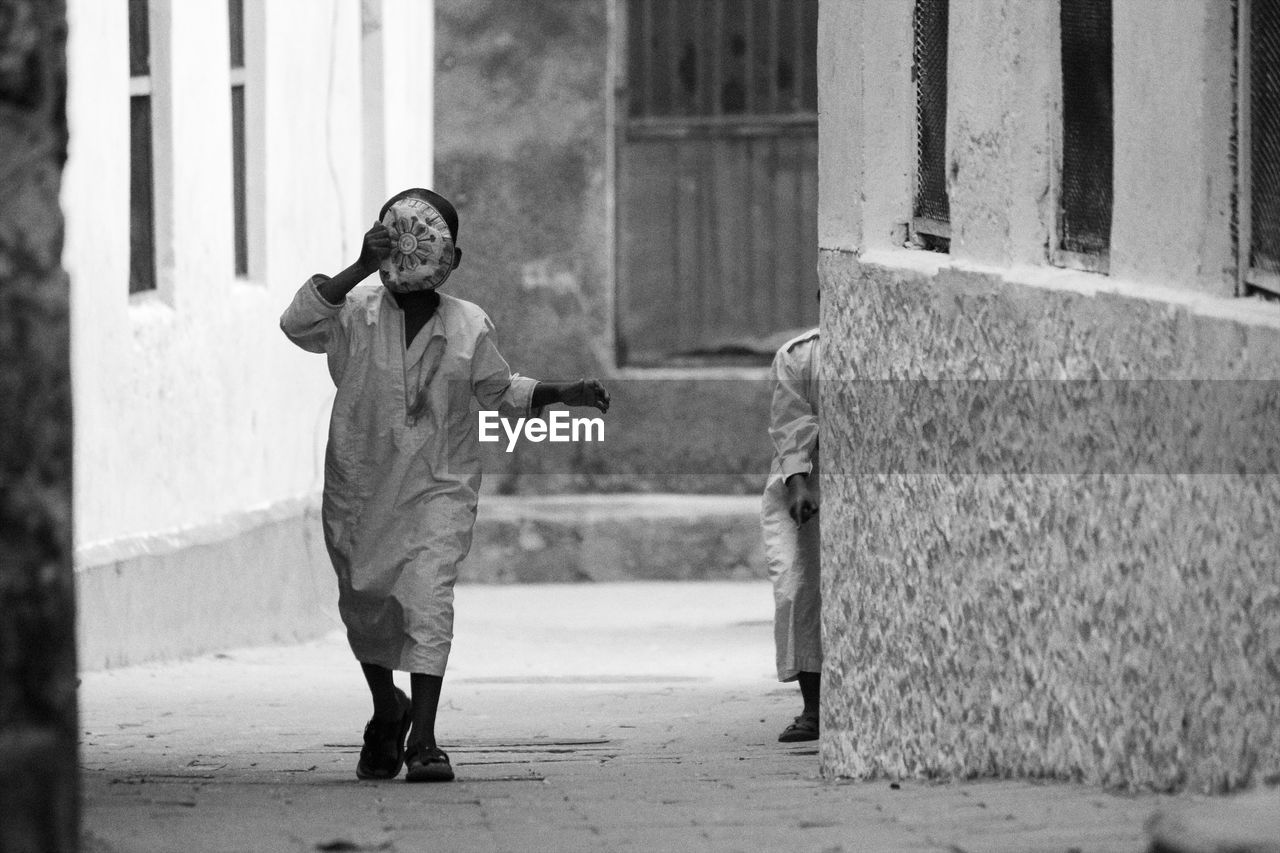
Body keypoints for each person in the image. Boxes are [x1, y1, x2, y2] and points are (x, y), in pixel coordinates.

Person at [280, 188, 610, 782]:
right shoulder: (354, 313)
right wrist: (358, 265)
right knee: (367, 600)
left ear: (452, 259)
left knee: (428, 599)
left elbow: (498, 388)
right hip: (362, 484)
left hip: (439, 482)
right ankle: (388, 710)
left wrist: (565, 392)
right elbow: (297, 324)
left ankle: (425, 740)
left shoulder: (468, 323)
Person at [761, 327, 821, 742]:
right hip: (800, 488)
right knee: (796, 588)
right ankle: (813, 708)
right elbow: (790, 426)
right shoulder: (798, 356)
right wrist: (798, 486)